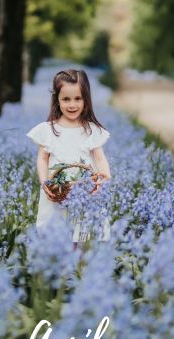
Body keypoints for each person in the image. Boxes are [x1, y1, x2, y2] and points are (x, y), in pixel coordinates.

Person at [27, 68, 111, 243]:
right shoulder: (49, 129)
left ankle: (79, 265)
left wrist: (104, 176)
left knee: (82, 233)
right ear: (57, 100)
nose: (72, 105)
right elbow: (42, 159)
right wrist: (45, 183)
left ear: (86, 100)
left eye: (77, 99)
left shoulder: (91, 130)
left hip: (85, 190)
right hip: (57, 192)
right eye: (66, 99)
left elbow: (99, 157)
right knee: (55, 233)